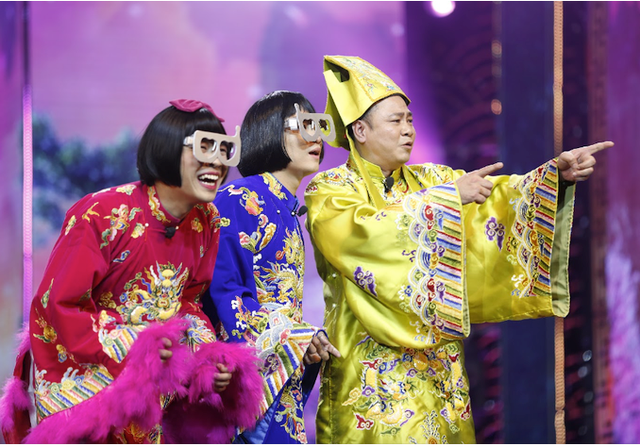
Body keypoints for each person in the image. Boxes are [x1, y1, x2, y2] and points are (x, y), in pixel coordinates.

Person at [304, 55, 614, 443]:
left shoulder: (433, 178)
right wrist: (447, 200)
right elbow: (360, 233)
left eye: (410, 120)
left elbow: (496, 202)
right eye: (396, 121)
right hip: (371, 373)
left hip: (440, 370)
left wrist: (554, 176)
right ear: (360, 130)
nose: (407, 130)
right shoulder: (330, 189)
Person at [0, 99, 263, 444]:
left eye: (224, 149)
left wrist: (206, 362)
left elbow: (187, 302)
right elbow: (59, 306)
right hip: (87, 375)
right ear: (167, 147)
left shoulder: (206, 221)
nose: (216, 161)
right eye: (204, 147)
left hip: (150, 388)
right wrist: (136, 344)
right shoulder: (102, 213)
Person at [202, 90, 340, 444]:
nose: (315, 137)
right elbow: (225, 292)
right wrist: (293, 336)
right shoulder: (237, 199)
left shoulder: (288, 209)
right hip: (247, 382)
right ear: (267, 131)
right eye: (303, 125)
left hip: (281, 374)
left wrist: (303, 340)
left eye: (318, 125)